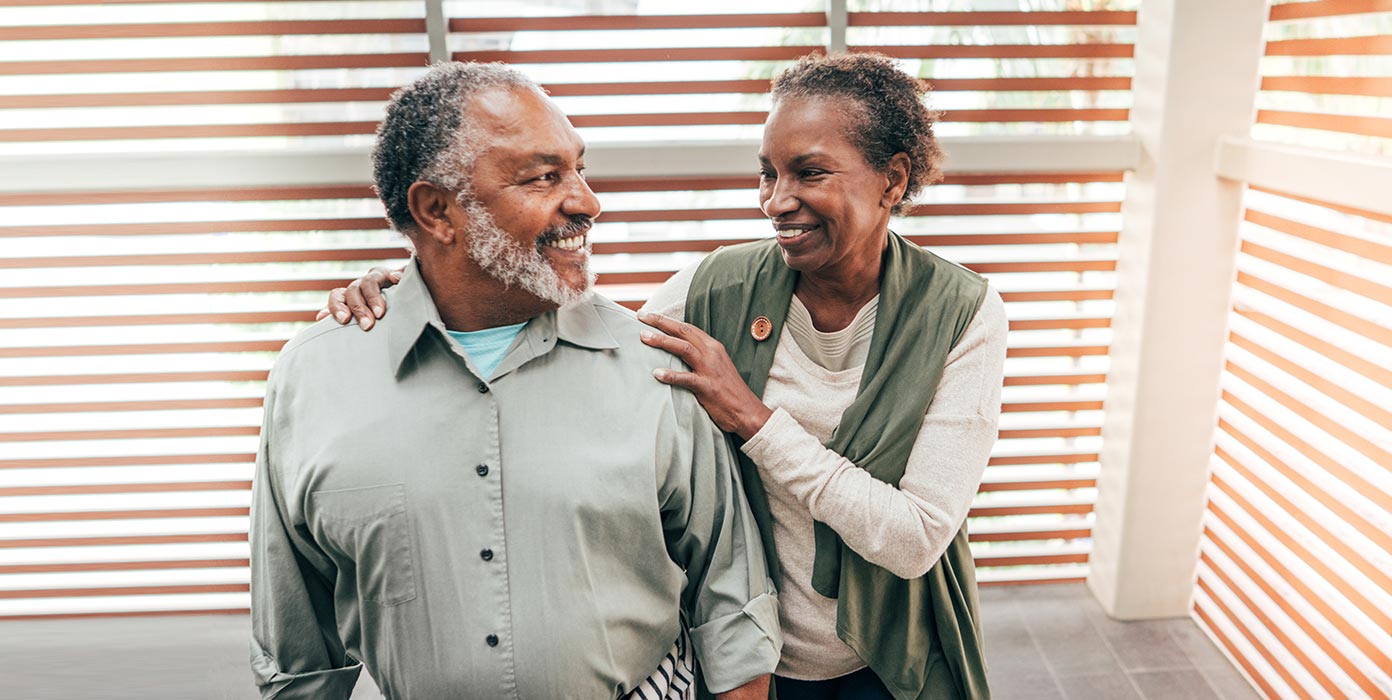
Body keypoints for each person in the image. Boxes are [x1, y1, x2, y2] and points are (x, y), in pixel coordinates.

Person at [325, 53, 1007, 700]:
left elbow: (915, 538)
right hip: (746, 657)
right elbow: (580, 328)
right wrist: (425, 288)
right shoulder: (718, 285)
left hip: (887, 656)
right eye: (768, 174)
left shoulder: (962, 315)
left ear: (892, 178)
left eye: (810, 173)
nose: (777, 201)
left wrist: (755, 421)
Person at [248, 62, 781, 700]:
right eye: (543, 177)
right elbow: (296, 648)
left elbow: (732, 599)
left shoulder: (654, 366)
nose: (587, 201)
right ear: (437, 211)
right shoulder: (314, 377)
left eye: (580, 168)